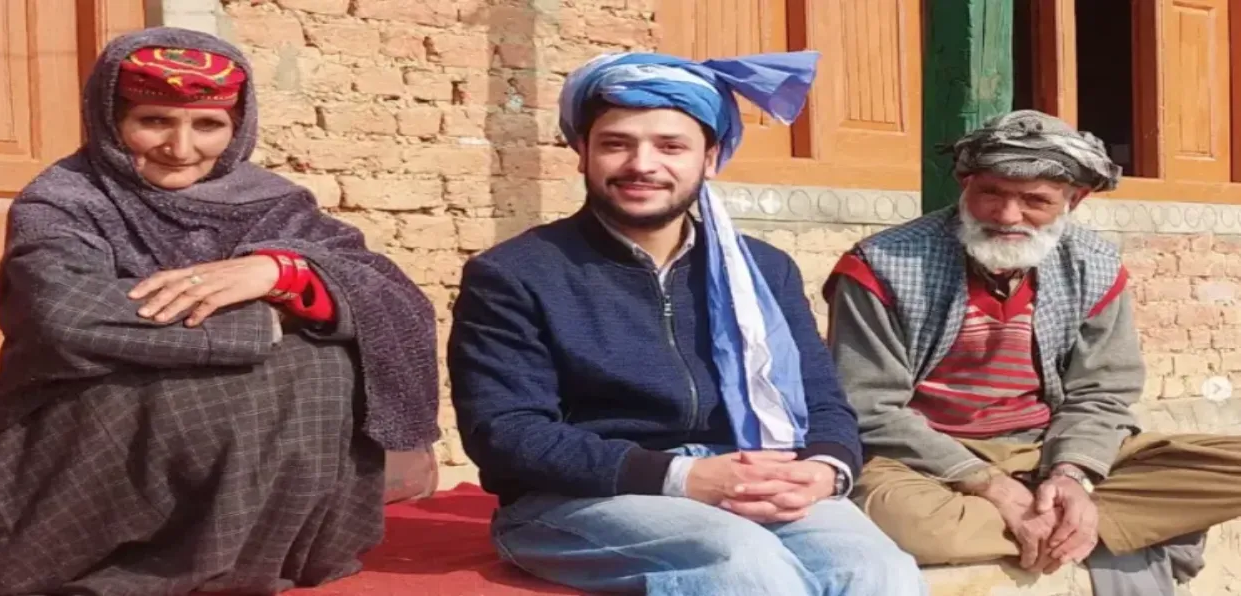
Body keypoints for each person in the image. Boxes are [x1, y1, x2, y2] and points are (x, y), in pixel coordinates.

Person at [448, 51, 925, 596]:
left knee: (874, 569)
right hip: (578, 499)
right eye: (616, 143)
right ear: (582, 152)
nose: (642, 165)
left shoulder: (764, 269)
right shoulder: (515, 274)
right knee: (739, 562)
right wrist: (683, 477)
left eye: (670, 146)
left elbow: (821, 401)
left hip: (748, 476)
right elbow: (507, 433)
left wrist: (823, 471)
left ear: (712, 157)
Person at [0, 28, 439, 594]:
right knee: (284, 365)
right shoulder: (64, 201)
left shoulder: (270, 202)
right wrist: (269, 320)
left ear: (236, 127)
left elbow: (389, 294)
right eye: (154, 121)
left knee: (322, 367)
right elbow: (65, 313)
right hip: (78, 443)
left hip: (220, 453)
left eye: (208, 125)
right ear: (110, 118)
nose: (181, 148)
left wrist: (282, 272)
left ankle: (234, 563)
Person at [824, 109, 1241, 594]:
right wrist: (987, 483)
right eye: (990, 193)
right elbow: (868, 406)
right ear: (965, 184)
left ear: (1074, 200)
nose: (1006, 216)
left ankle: (1064, 513)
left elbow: (1102, 393)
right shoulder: (883, 264)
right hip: (925, 461)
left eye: (1035, 201)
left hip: (1045, 445)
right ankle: (1089, 526)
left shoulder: (1095, 266)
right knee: (903, 520)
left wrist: (1071, 476)